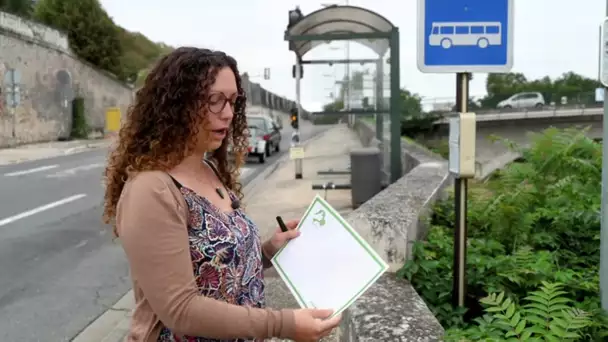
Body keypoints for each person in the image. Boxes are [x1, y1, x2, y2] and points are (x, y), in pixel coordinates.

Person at [102, 47, 341, 342]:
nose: (228, 114)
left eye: (232, 101)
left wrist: (267, 251)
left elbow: (219, 265)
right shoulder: (151, 190)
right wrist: (284, 325)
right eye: (214, 100)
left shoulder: (210, 171)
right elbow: (180, 309)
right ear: (177, 105)